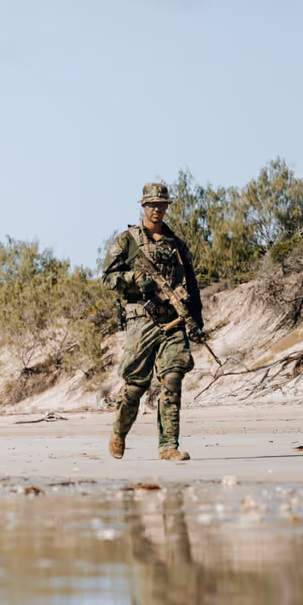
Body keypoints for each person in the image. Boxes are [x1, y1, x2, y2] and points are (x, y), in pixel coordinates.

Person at [101, 182, 205, 462]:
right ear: (143, 206)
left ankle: (168, 446)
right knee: (135, 385)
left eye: (161, 205)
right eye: (151, 205)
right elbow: (107, 279)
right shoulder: (127, 241)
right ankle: (119, 433)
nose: (156, 209)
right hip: (142, 321)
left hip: (174, 321)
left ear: (167, 207)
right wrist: (132, 279)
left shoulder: (177, 245)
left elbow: (192, 286)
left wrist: (196, 320)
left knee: (172, 380)